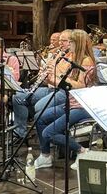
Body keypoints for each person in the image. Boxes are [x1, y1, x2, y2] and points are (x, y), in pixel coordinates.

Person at [34, 29, 96, 170]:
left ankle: (82, 151)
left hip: (82, 107)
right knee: (39, 117)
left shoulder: (86, 60)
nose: (69, 45)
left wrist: (60, 78)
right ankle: (45, 156)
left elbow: (80, 86)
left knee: (48, 133)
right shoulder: (74, 58)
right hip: (70, 103)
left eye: (71, 42)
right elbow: (65, 83)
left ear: (78, 43)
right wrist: (51, 79)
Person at [12, 31, 65, 138]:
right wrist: (43, 73)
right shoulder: (54, 54)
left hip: (59, 90)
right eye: (53, 40)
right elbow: (47, 79)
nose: (53, 42)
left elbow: (62, 79)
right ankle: (20, 132)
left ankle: (48, 135)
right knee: (17, 97)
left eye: (59, 40)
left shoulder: (65, 57)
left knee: (37, 106)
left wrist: (50, 75)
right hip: (49, 87)